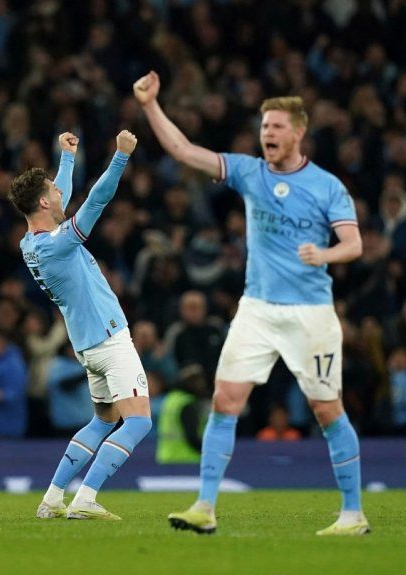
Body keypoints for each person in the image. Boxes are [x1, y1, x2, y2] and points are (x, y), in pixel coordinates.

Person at [133, 71, 367, 535]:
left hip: (310, 314)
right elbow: (183, 151)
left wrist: (324, 254)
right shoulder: (248, 171)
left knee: (327, 409)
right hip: (256, 308)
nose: (268, 135)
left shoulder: (326, 186)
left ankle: (353, 513)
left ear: (298, 132)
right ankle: (204, 507)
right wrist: (149, 106)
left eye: (277, 127)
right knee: (224, 399)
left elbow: (354, 243)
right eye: (264, 128)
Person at [9, 131, 152, 521]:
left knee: (103, 420)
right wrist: (120, 156)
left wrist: (67, 157)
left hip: (86, 347)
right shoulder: (58, 244)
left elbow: (63, 199)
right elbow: (97, 200)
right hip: (109, 339)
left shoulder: (31, 244)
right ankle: (86, 497)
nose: (60, 193)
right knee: (138, 421)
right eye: (54, 190)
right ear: (42, 200)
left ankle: (52, 498)